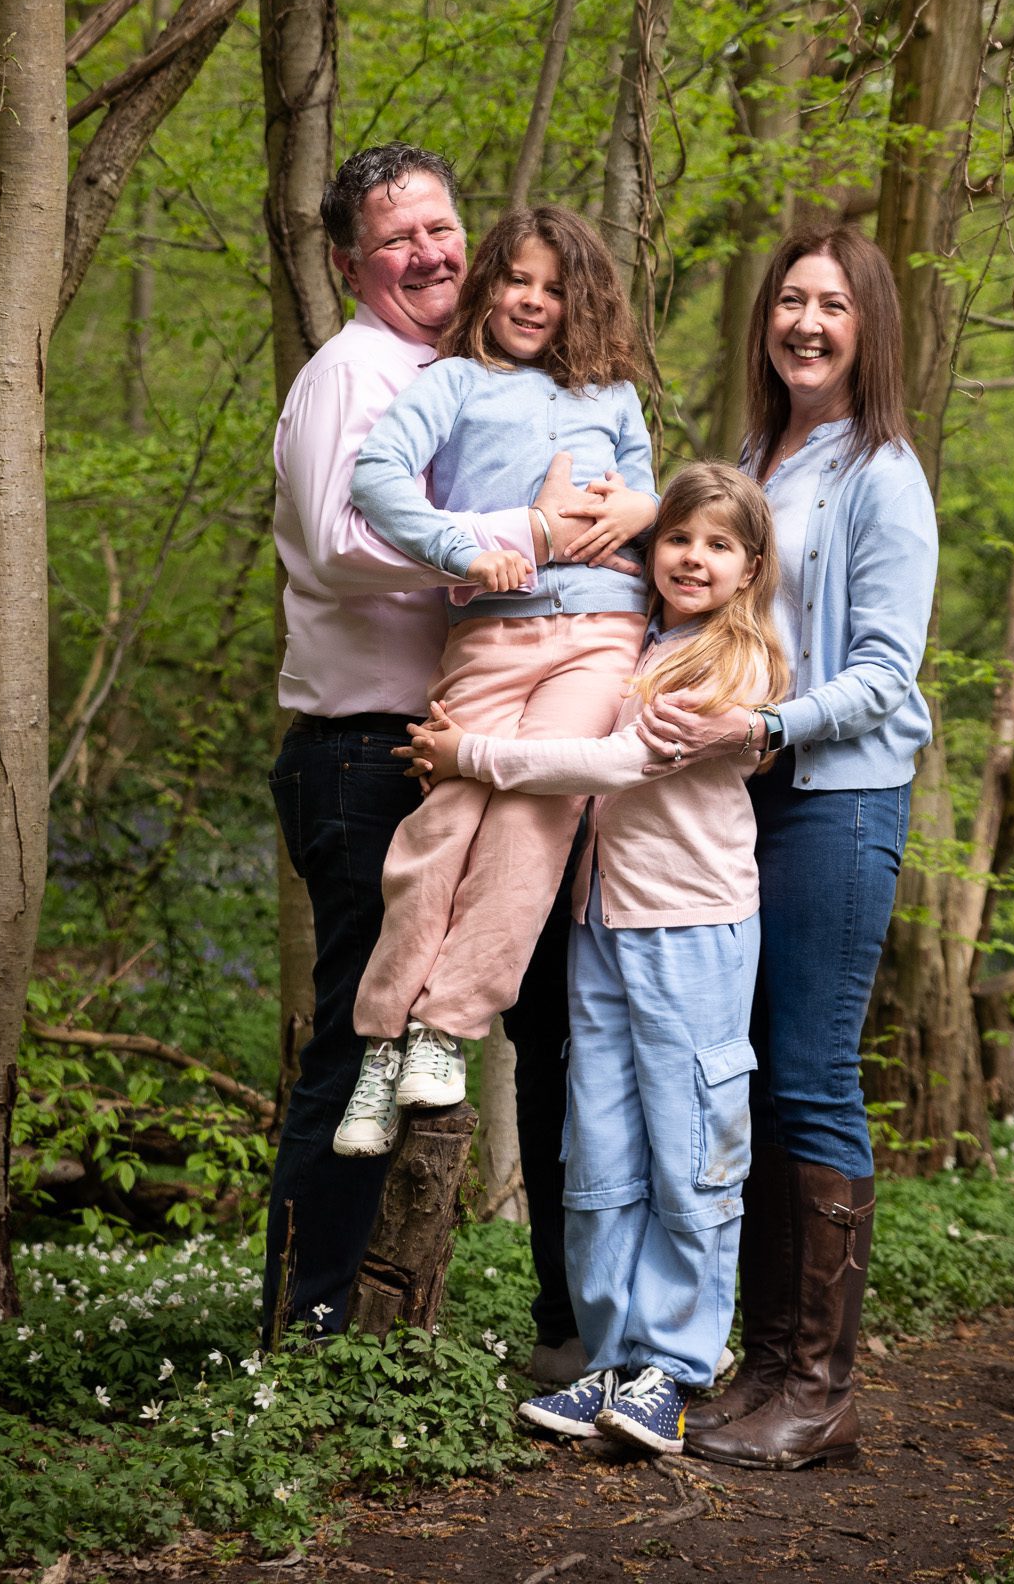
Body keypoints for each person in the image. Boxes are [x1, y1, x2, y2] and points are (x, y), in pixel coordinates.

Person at [265, 144, 603, 1354]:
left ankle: (567, 1323)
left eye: (441, 226)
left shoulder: (478, 377)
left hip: (491, 742)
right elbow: (334, 538)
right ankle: (300, 1343)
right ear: (351, 261)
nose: (430, 253)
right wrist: (521, 531)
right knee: (357, 1038)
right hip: (367, 753)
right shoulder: (348, 374)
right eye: (397, 237)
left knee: (540, 1022)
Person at [404, 464, 789, 1455]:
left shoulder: (731, 663)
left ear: (749, 568)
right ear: (649, 548)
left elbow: (611, 764)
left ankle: (673, 1363)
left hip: (692, 927)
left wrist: (469, 754)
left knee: (687, 1144)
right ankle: (609, 1358)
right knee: (602, 1147)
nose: (692, 558)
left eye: (717, 545)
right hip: (598, 921)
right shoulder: (635, 641)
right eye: (677, 538)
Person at [637, 225, 938, 1471]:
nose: (804, 322)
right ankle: (761, 1362)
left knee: (810, 1075)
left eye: (830, 304)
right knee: (750, 1075)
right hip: (739, 804)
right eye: (787, 301)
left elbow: (883, 672)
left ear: (866, 325)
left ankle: (819, 1384)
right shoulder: (762, 453)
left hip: (836, 799)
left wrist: (765, 721)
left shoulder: (882, 471)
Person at [331, 205, 657, 1145]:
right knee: (446, 814)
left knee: (532, 816)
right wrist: (464, 550)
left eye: (556, 288)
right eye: (518, 278)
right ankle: (383, 1042)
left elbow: (644, 498)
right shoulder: (455, 382)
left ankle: (446, 1028)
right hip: (490, 635)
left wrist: (636, 509)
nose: (533, 299)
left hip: (599, 634)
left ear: (582, 301)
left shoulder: (613, 396)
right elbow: (377, 476)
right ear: (490, 283)